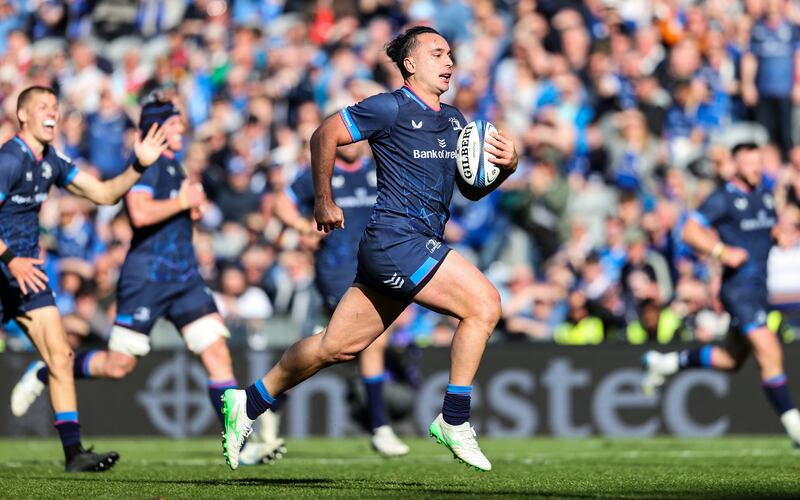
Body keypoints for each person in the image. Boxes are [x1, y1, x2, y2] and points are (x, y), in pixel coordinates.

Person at [221, 26, 518, 472]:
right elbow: (324, 134)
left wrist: (506, 168)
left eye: (451, 54)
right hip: (397, 240)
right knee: (485, 304)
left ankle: (249, 401)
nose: (450, 62)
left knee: (334, 348)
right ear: (411, 64)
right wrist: (323, 199)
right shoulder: (389, 108)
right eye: (438, 53)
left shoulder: (456, 121)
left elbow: (472, 192)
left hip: (407, 245)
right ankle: (454, 418)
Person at [10, 95, 279, 456]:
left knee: (216, 351)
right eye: (173, 123)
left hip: (184, 278)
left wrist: (191, 210)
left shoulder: (173, 166)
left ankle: (239, 443)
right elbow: (138, 212)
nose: (182, 128)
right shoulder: (149, 166)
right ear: (156, 129)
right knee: (119, 365)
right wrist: (181, 202)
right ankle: (46, 373)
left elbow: (134, 202)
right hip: (147, 280)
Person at [1, 85, 168, 472]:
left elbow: (107, 194)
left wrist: (138, 165)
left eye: (56, 108)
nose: (52, 113)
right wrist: (10, 260)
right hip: (10, 266)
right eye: (43, 107)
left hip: (26, 274)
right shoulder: (9, 158)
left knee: (60, 356)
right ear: (22, 115)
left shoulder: (52, 162)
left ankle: (74, 454)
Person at [247, 141, 409, 462]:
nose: (354, 145)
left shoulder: (376, 170)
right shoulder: (319, 175)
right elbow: (281, 203)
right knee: (373, 340)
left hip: (374, 267)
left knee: (326, 350)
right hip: (337, 271)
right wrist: (301, 227)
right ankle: (379, 427)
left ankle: (269, 403)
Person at [642, 142, 800, 447]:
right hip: (738, 289)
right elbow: (688, 231)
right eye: (749, 163)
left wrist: (779, 236)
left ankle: (667, 364)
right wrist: (720, 251)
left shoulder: (764, 195)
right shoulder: (724, 199)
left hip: (759, 288)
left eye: (759, 162)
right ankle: (794, 425)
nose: (756, 168)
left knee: (729, 359)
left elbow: (765, 233)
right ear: (736, 165)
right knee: (770, 350)